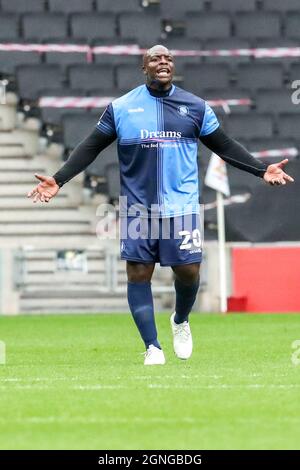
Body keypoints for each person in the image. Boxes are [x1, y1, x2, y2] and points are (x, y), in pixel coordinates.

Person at [27, 45, 294, 365]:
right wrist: (59, 179)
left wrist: (261, 170)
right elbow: (91, 147)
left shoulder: (195, 107)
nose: (163, 61)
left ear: (173, 67)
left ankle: (180, 320)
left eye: (168, 58)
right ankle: (153, 347)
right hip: (138, 209)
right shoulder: (122, 107)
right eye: (155, 58)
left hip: (181, 207)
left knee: (189, 271)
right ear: (145, 68)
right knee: (139, 273)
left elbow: (224, 145)